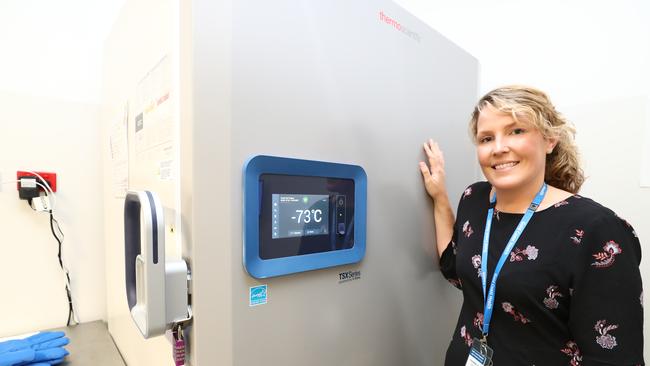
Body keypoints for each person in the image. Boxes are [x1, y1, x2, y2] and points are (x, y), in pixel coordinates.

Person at [419, 85, 643, 365]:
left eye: (516, 131)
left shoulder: (596, 230)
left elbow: (614, 358)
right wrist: (440, 197)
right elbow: (455, 268)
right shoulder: (474, 199)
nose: (499, 148)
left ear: (549, 140)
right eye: (487, 138)